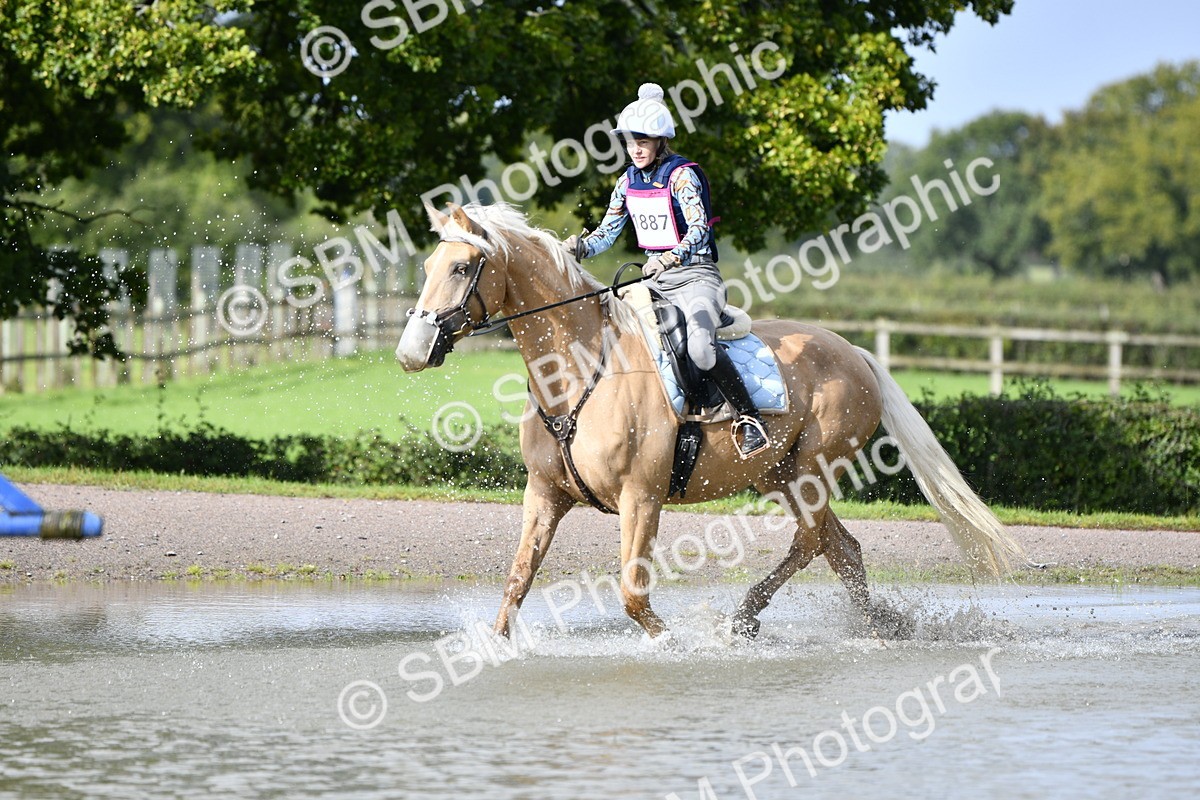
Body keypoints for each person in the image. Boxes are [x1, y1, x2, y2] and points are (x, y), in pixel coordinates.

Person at [563, 83, 769, 459]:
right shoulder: (626, 181)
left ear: (661, 141)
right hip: (653, 281)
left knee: (701, 349)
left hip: (696, 278)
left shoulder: (681, 176)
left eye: (643, 141)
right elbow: (606, 234)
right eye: (630, 141)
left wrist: (670, 258)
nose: (636, 148)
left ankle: (749, 418)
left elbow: (699, 227)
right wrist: (580, 247)